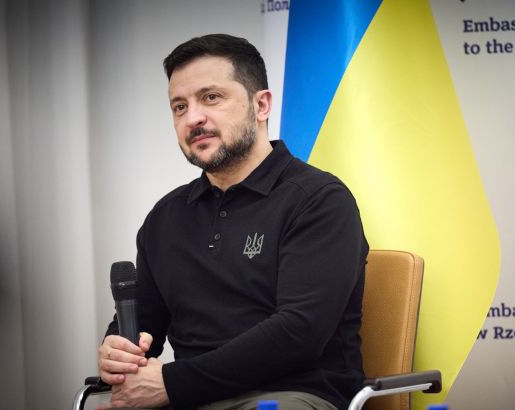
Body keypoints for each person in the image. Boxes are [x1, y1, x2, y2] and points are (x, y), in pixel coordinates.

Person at [97, 34, 369, 410]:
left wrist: (172, 383)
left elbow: (298, 334)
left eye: (211, 97)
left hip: (292, 395)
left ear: (262, 105)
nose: (193, 118)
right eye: (179, 106)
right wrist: (116, 351)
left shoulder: (319, 200)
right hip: (190, 398)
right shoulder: (166, 217)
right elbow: (144, 324)